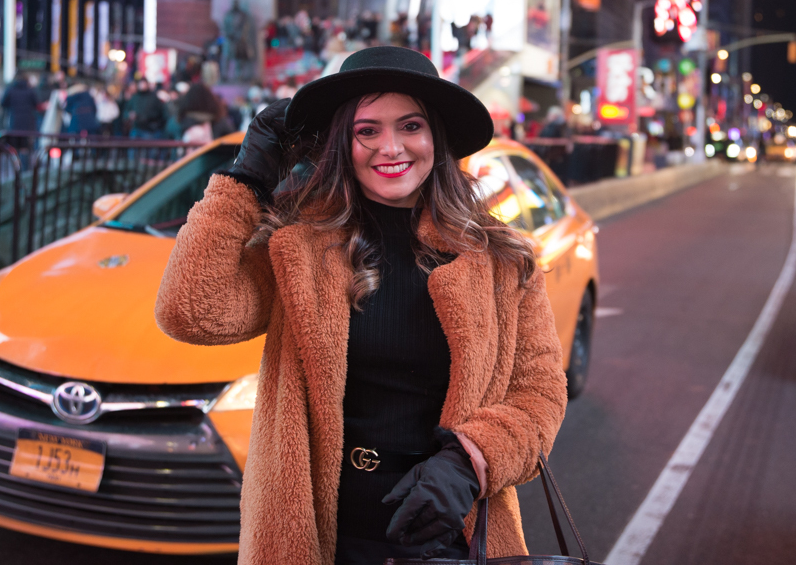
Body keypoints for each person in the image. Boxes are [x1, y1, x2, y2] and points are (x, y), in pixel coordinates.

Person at [156, 46, 568, 565]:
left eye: (410, 125)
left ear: (437, 137)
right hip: (317, 535)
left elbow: (541, 395)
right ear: (342, 144)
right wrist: (247, 176)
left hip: (450, 533)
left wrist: (471, 461)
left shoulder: (500, 258)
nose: (389, 147)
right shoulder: (299, 246)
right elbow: (190, 310)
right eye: (366, 130)